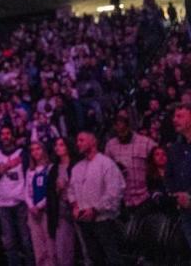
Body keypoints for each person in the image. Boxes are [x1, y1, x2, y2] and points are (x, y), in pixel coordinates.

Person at [67, 131, 125, 265]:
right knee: (94, 257)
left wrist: (96, 209)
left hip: (103, 220)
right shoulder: (77, 168)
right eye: (77, 141)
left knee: (112, 256)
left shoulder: (106, 164)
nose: (78, 144)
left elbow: (114, 192)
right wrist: (75, 205)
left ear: (93, 141)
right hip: (84, 220)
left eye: (81, 140)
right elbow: (71, 190)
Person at [103, 109, 156, 213]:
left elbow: (159, 161)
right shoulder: (110, 145)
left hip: (144, 197)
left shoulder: (146, 143)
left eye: (123, 128)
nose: (121, 131)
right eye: (117, 127)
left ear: (129, 126)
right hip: (122, 200)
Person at [0, 126, 33, 266]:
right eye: (3, 133)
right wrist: (3, 168)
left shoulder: (22, 153)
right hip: (3, 203)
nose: (5, 136)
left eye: (8, 133)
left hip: (21, 201)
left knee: (26, 240)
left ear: (13, 136)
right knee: (9, 242)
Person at [46, 137, 77, 266]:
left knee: (86, 247)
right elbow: (50, 193)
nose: (58, 147)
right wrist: (57, 189)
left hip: (77, 208)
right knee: (63, 250)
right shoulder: (54, 169)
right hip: (61, 210)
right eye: (56, 145)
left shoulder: (76, 165)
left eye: (61, 145)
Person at [25, 141, 55, 266]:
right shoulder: (30, 171)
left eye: (38, 149)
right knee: (38, 244)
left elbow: (51, 192)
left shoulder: (50, 168)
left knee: (50, 244)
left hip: (46, 210)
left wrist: (40, 205)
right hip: (33, 211)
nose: (35, 152)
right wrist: (31, 206)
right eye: (32, 150)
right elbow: (26, 191)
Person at [166, 103, 191, 249]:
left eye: (179, 116)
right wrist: (176, 194)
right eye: (174, 116)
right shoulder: (175, 148)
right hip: (184, 209)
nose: (174, 120)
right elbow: (169, 176)